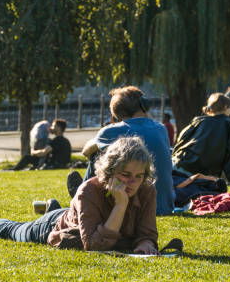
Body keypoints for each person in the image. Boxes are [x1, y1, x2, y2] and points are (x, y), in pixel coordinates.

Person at [0, 136, 159, 254]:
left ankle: (57, 208)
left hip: (78, 216)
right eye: (125, 175)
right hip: (54, 226)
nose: (133, 183)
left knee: (69, 211)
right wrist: (120, 205)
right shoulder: (89, 190)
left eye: (139, 176)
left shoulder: (146, 190)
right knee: (14, 231)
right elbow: (94, 245)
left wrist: (146, 243)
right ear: (110, 171)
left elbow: (147, 233)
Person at [73, 86, 175, 216]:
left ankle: (83, 195)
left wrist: (98, 144)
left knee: (96, 154)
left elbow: (86, 152)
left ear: (116, 114)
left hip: (137, 208)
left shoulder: (111, 131)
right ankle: (82, 194)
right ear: (144, 105)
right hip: (165, 206)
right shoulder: (161, 129)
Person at [172, 93, 230, 184]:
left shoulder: (198, 121)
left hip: (177, 165)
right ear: (226, 107)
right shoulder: (228, 124)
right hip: (197, 173)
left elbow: (180, 142)